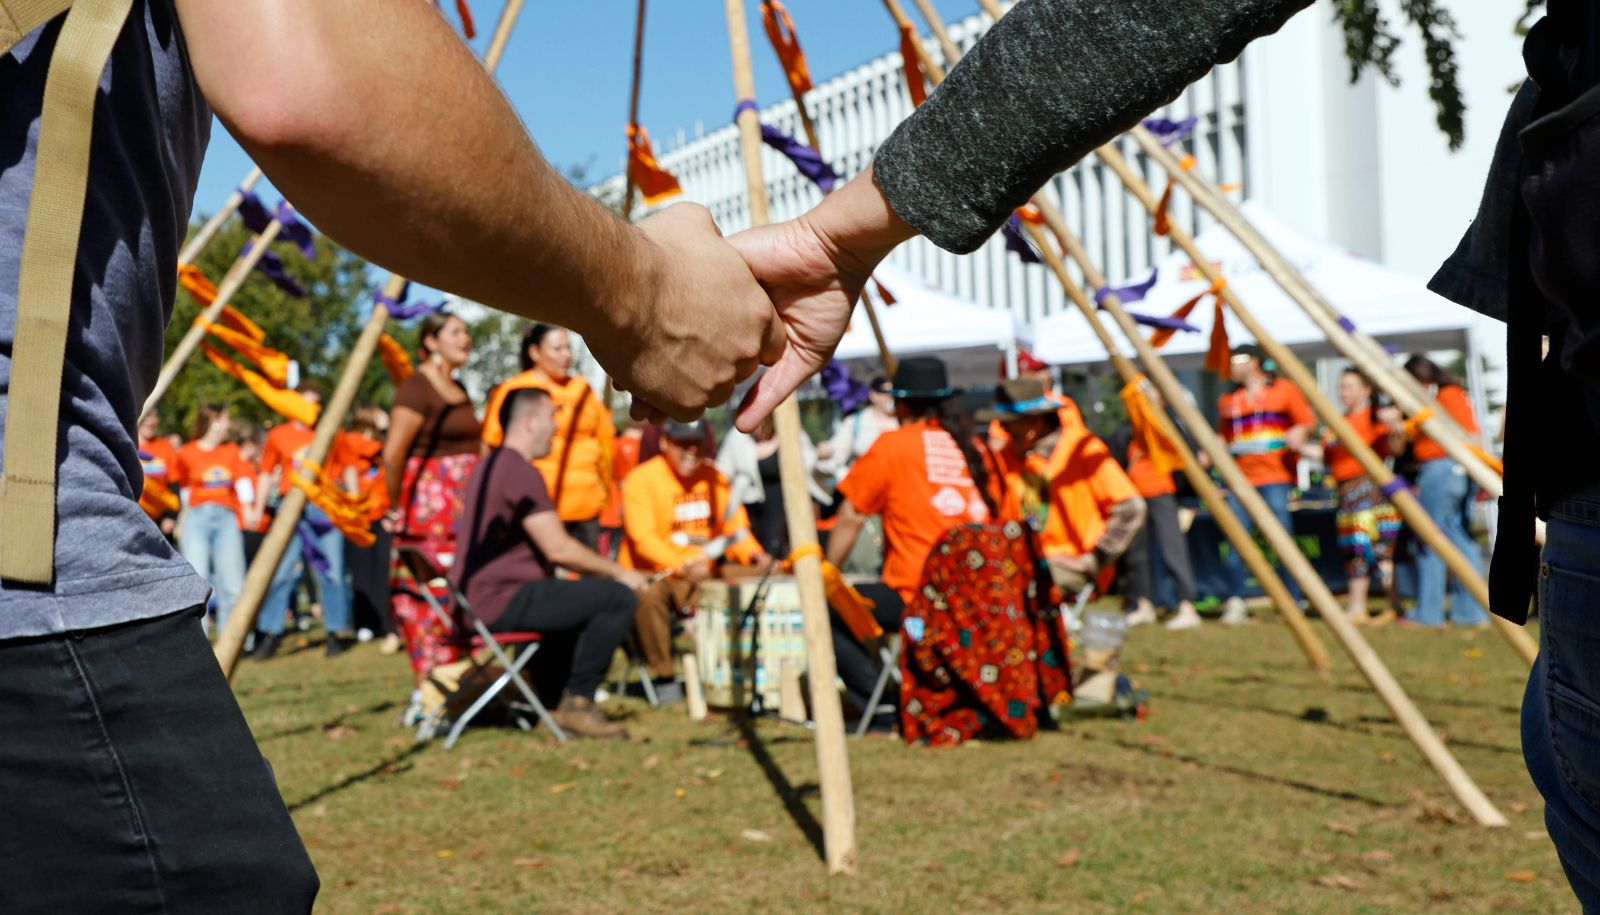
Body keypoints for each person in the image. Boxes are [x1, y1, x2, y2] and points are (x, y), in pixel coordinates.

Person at [0, 0, 789, 904]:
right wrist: (643, 290)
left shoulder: (519, 401)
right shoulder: (443, 396)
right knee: (216, 881)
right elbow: (308, 75)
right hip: (30, 547)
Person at [453, 388, 648, 739]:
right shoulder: (518, 470)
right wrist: (622, 573)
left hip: (477, 600)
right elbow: (558, 548)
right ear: (528, 422)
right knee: (617, 598)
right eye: (551, 417)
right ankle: (578, 705)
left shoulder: (491, 464)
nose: (557, 427)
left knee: (570, 598)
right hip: (500, 601)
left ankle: (550, 703)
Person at [826, 357, 1013, 713]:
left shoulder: (892, 446)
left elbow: (850, 515)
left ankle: (881, 707)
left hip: (920, 596)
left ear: (900, 403)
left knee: (824, 607)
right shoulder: (980, 449)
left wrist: (827, 573)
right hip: (984, 595)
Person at [621, 418, 776, 701]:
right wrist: (682, 566)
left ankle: (763, 666)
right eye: (682, 444)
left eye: (696, 444)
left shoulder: (713, 476)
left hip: (706, 571)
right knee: (648, 594)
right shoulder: (642, 479)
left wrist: (754, 554)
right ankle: (664, 676)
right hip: (657, 573)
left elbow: (735, 529)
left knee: (770, 578)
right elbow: (643, 540)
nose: (691, 451)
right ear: (665, 442)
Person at [382, 312, 482, 705]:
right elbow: (393, 455)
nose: (466, 338)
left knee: (461, 589)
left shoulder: (458, 387)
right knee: (427, 592)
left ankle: (462, 679)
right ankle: (432, 684)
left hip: (463, 510)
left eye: (467, 332)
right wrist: (394, 507)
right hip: (429, 510)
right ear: (431, 340)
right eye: (457, 331)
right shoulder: (416, 388)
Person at [982, 378, 1146, 599]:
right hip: (1022, 560)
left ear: (1035, 423)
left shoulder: (1083, 449)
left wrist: (1092, 560)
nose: (1003, 428)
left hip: (1069, 565)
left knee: (1013, 587)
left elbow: (1131, 508)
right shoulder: (1009, 457)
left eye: (1010, 421)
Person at [1208, 343, 1317, 623]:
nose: (1231, 366)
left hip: (1275, 478)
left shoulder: (1284, 390)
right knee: (1236, 541)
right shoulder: (1228, 400)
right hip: (1240, 481)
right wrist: (1209, 451)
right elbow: (1223, 437)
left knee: (1281, 540)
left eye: (1237, 360)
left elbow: (1307, 421)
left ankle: (1294, 598)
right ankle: (1236, 599)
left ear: (1254, 362)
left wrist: (1299, 432)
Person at [481, 323, 615, 550]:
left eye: (568, 348)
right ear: (534, 352)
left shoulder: (582, 388)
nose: (567, 355)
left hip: (587, 504)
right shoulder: (514, 390)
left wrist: (606, 493)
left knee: (588, 581)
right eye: (557, 349)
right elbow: (491, 444)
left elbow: (605, 441)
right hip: (538, 508)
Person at [252, 381, 354, 659]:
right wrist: (258, 509)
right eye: (306, 402)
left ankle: (334, 632)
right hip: (290, 508)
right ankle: (272, 632)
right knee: (282, 571)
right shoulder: (278, 435)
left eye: (316, 402)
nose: (312, 409)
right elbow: (264, 472)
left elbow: (348, 468)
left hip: (325, 508)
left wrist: (355, 503)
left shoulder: (331, 430)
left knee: (331, 571)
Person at [1400, 355, 1489, 628]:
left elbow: (1470, 436)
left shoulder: (1447, 395)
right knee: (1459, 537)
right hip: (1452, 470)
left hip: (1443, 469)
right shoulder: (1449, 395)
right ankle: (1470, 611)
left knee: (1431, 538)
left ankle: (1430, 612)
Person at [1321, 369, 1404, 625]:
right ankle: (1357, 607)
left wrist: (1396, 428)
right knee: (1354, 550)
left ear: (1365, 390)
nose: (1342, 392)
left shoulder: (1372, 417)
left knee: (1377, 549)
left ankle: (1392, 603)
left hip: (1369, 490)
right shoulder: (1337, 422)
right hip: (1345, 492)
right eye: (1341, 386)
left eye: (1348, 386)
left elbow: (1394, 448)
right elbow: (1327, 457)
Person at [1118, 385, 1203, 631]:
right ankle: (1143, 605)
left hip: (1162, 491)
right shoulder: (1131, 427)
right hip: (1134, 493)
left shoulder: (1167, 423)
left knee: (1172, 549)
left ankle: (1187, 606)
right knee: (1136, 554)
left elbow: (1186, 453)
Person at [171, 404, 252, 635]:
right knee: (197, 586)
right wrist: (181, 520)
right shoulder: (186, 452)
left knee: (233, 586)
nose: (230, 425)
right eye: (226, 419)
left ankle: (231, 643)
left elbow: (243, 481)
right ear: (214, 421)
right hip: (197, 520)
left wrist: (247, 510)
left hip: (226, 519)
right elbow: (183, 489)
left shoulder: (231, 451)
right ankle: (202, 647)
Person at [718, 414, 830, 556]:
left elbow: (810, 462)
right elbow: (722, 470)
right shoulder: (737, 436)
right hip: (750, 504)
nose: (757, 428)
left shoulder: (789, 430)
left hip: (783, 503)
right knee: (754, 552)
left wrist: (821, 455)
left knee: (776, 548)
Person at [330, 407, 394, 645]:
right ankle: (368, 622)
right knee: (363, 572)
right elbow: (348, 471)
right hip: (358, 517)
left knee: (379, 570)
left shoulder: (380, 444)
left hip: (379, 514)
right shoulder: (351, 441)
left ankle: (383, 623)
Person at [137, 409, 180, 541]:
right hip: (133, 514)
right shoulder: (126, 444)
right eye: (148, 416)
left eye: (155, 416)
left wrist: (171, 516)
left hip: (159, 518)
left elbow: (173, 484)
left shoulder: (164, 447)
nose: (152, 421)